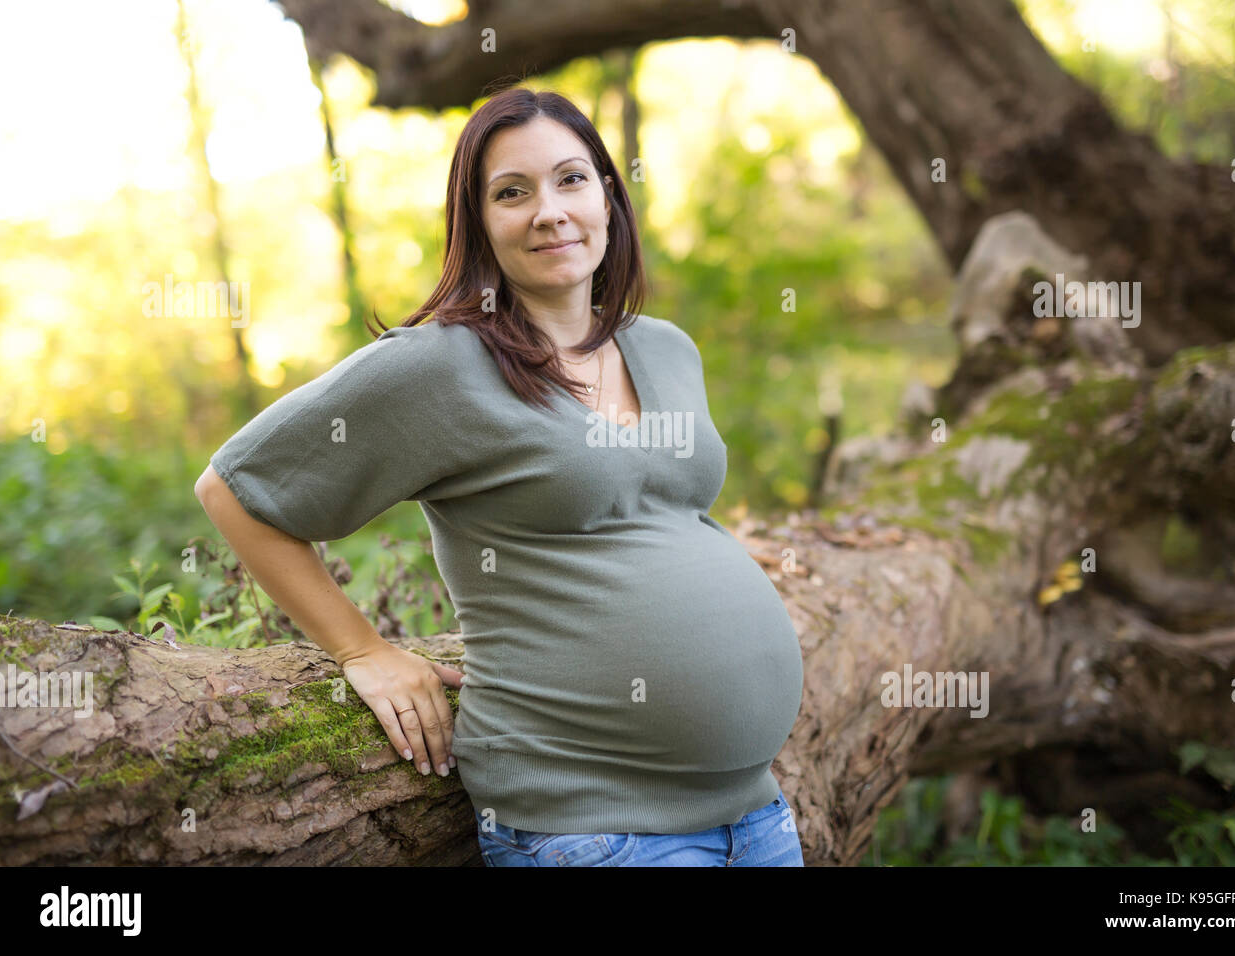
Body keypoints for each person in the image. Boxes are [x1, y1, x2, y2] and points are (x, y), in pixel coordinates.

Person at [196, 87, 805, 866]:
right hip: (595, 829)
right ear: (478, 224)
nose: (549, 210)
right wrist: (363, 651)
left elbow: (660, 521)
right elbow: (236, 489)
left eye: (571, 179)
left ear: (610, 200)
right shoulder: (442, 366)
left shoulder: (666, 349)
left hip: (754, 816)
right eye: (512, 193)